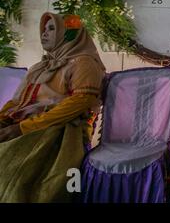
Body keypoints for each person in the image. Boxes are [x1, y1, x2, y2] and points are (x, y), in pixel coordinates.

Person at [0, 12, 105, 202]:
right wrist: (3, 119)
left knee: (10, 168)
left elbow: (80, 102)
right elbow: (17, 102)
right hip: (26, 124)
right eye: (44, 29)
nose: (44, 34)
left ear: (70, 33)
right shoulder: (40, 67)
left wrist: (22, 128)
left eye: (52, 29)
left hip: (60, 131)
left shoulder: (84, 63)